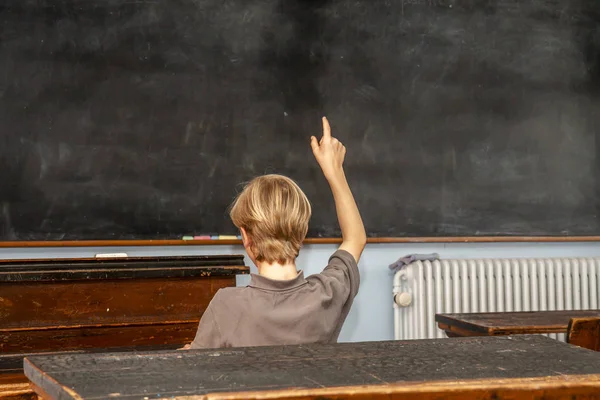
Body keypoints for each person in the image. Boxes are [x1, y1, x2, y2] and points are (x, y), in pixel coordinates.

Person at [183, 117, 366, 349]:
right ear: (302, 232)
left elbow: (198, 370)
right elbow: (355, 239)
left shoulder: (226, 306)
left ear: (246, 237)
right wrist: (335, 171)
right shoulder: (327, 294)